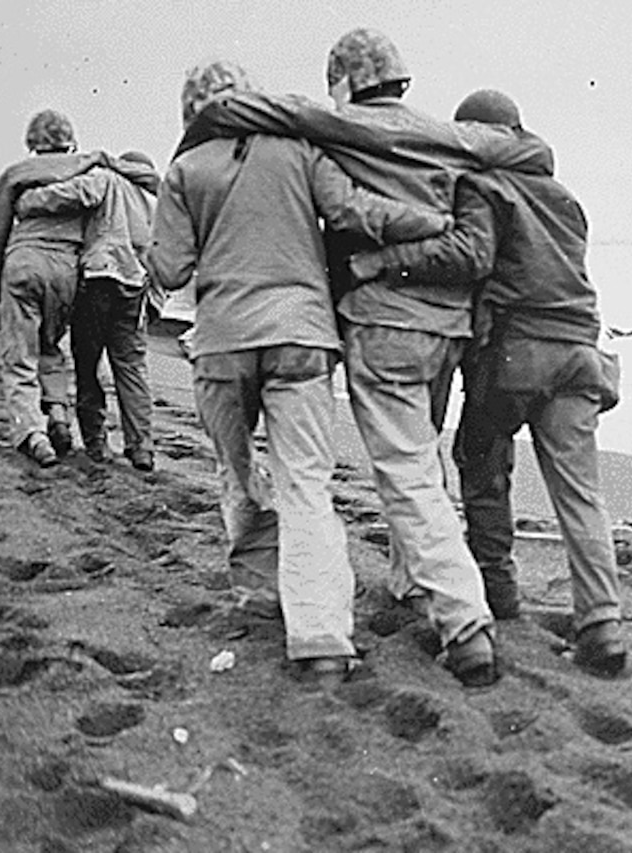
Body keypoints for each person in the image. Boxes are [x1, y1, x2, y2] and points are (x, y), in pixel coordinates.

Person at [145, 60, 453, 682]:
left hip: (223, 341)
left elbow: (171, 270)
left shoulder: (185, 170)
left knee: (235, 473)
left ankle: (261, 597)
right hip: (302, 338)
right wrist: (434, 223)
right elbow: (354, 212)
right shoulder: (298, 149)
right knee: (307, 485)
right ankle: (321, 640)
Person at [348, 90, 627, 676]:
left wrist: (386, 264)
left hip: (516, 354)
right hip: (581, 351)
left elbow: (470, 258)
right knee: (580, 495)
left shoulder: (484, 187)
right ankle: (602, 625)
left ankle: (498, 595)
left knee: (482, 461)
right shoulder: (567, 199)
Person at [14, 150, 162, 470]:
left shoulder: (108, 180)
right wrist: (156, 304)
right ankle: (141, 449)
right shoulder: (154, 204)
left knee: (88, 365)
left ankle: (96, 443)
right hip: (136, 288)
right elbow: (161, 259)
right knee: (132, 369)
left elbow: (72, 194)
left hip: (99, 279)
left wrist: (28, 200)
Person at [0, 110, 106, 467]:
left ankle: (33, 434)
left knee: (20, 354)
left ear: (31, 142)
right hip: (66, 269)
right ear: (69, 138)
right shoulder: (88, 171)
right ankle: (57, 415)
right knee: (50, 345)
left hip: (24, 260)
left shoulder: (15, 175)